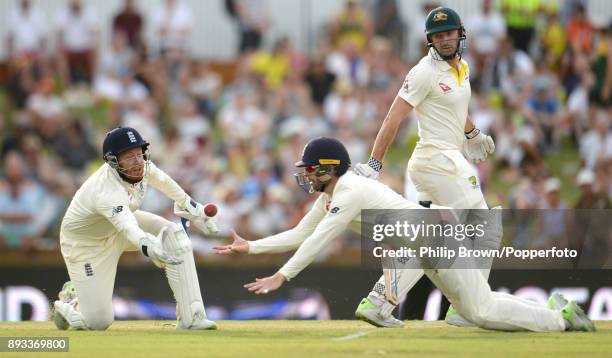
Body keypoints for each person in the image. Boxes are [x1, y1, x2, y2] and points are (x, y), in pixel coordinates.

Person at [214, 136, 594, 332]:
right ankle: (553, 310)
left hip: (438, 240)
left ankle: (561, 319)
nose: (306, 176)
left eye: (311, 169)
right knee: (475, 310)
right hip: (425, 248)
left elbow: (318, 241)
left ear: (330, 168)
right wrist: (250, 248)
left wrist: (283, 275)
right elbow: (299, 234)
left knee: (480, 311)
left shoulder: (349, 190)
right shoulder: (333, 194)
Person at [353, 7, 498, 327]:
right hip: (436, 160)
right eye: (438, 36)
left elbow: (456, 109)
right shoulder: (423, 72)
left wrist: (472, 134)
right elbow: (393, 118)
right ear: (430, 40)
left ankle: (379, 301)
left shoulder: (463, 68)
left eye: (449, 34)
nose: (445, 40)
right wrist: (374, 164)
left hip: (446, 160)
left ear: (460, 34)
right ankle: (467, 307)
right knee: (485, 227)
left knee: (432, 238)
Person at [52, 127, 218, 330]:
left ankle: (192, 317)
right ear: (113, 161)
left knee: (174, 235)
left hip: (117, 228)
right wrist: (148, 245)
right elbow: (127, 226)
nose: (138, 162)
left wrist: (196, 209)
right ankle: (73, 298)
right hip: (86, 246)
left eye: (139, 154)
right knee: (97, 322)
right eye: (129, 157)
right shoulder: (105, 190)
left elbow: (166, 183)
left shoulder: (144, 167)